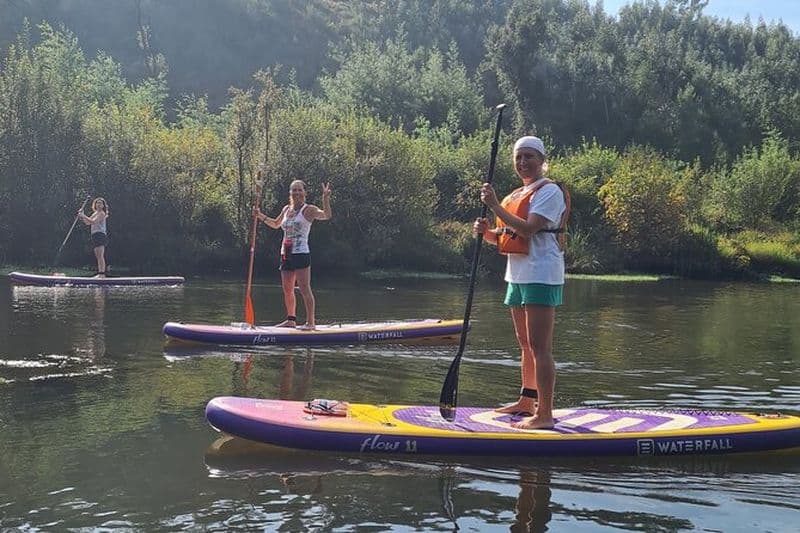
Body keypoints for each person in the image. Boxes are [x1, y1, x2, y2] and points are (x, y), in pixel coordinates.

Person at [473, 136, 569, 430]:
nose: (523, 162)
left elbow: (528, 229)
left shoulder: (549, 191)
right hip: (516, 274)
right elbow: (504, 236)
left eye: (529, 156)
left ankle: (546, 414)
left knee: (541, 346)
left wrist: (493, 205)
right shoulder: (516, 195)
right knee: (525, 344)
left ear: (541, 160)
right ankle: (527, 400)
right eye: (519, 157)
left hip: (541, 272)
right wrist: (485, 232)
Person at [256, 180, 332, 330]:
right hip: (286, 253)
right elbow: (276, 224)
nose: (297, 193)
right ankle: (291, 320)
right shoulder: (286, 209)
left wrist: (325, 198)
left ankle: (310, 323)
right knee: (287, 289)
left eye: (299, 190)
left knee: (304, 289)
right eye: (294, 190)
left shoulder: (308, 210)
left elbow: (326, 215)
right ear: (290, 193)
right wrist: (259, 216)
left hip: (301, 253)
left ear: (305, 193)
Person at [78, 197, 109, 277]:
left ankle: (102, 274)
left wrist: (83, 215)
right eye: (97, 203)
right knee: (97, 255)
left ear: (103, 206)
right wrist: (81, 215)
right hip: (95, 235)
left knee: (100, 255)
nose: (98, 204)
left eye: (100, 203)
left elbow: (94, 222)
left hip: (100, 235)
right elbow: (87, 223)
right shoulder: (95, 213)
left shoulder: (102, 213)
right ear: (95, 204)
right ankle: (100, 273)